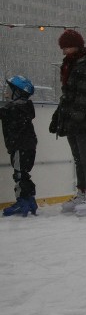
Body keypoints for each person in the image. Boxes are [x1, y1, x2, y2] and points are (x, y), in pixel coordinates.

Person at [50, 29, 86, 217]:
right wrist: (59, 116)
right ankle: (82, 191)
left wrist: (75, 117)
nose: (64, 51)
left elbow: (83, 95)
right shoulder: (70, 64)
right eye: (63, 48)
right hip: (72, 118)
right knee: (79, 158)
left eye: (67, 47)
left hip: (85, 119)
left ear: (76, 46)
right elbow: (67, 95)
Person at [1, 75, 38, 217]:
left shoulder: (14, 109)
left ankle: (22, 201)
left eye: (10, 90)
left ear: (18, 93)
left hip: (20, 147)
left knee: (19, 174)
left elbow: (5, 114)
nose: (7, 92)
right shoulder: (24, 108)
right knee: (23, 174)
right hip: (28, 146)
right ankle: (29, 199)